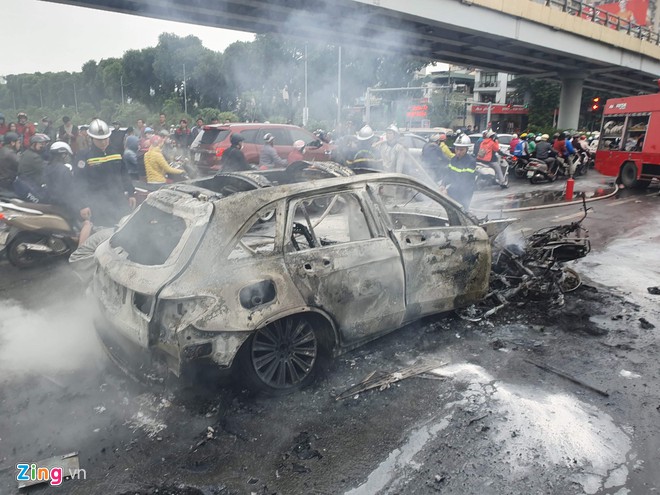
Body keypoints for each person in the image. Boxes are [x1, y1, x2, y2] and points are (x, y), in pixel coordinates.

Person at [75, 119, 136, 227]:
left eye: (105, 139)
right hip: (98, 203)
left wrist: (131, 193)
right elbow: (79, 182)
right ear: (92, 138)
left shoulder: (117, 152)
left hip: (118, 199)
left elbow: (124, 174)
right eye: (99, 140)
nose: (103, 142)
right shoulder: (84, 156)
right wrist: (83, 205)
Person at [44, 142, 80, 220]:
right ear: (63, 155)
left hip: (50, 205)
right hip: (63, 208)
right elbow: (70, 191)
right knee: (85, 223)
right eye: (67, 155)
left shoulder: (47, 167)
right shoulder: (64, 170)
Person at [443, 134, 477, 210]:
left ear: (467, 149)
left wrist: (448, 191)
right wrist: (443, 184)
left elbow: (463, 181)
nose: (458, 152)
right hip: (453, 190)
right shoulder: (453, 159)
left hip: (465, 192)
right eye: (457, 149)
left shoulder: (470, 162)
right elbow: (448, 174)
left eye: (461, 150)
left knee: (462, 210)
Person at [15, 134, 50, 202]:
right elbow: (47, 169)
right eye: (41, 144)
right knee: (44, 201)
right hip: (29, 186)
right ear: (34, 144)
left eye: (44, 144)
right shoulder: (34, 157)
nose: (43, 146)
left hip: (24, 183)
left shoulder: (27, 153)